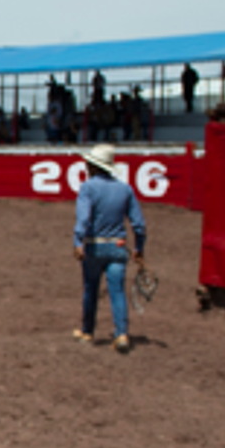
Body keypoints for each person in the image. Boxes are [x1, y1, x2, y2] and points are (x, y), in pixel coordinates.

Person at [72, 143, 147, 354]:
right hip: (118, 246)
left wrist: (78, 242)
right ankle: (121, 333)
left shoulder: (88, 188)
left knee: (90, 288)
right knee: (117, 290)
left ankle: (88, 331)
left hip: (95, 246)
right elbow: (139, 224)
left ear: (94, 166)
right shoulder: (125, 189)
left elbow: (84, 218)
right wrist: (139, 248)